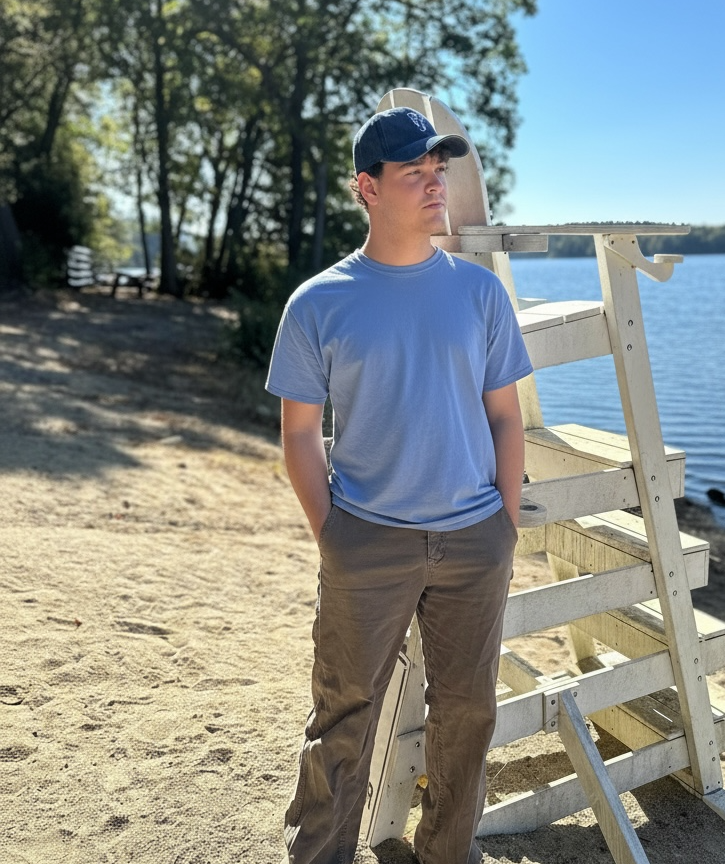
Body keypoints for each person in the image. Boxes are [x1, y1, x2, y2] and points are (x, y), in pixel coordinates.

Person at [265, 105, 533, 864]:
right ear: (366, 188)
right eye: (413, 171)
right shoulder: (319, 302)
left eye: (438, 170)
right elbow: (297, 434)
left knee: (467, 715)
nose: (433, 184)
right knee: (342, 719)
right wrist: (337, 539)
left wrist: (503, 525)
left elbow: (506, 418)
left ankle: (446, 853)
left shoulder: (479, 295)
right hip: (365, 542)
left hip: (474, 539)